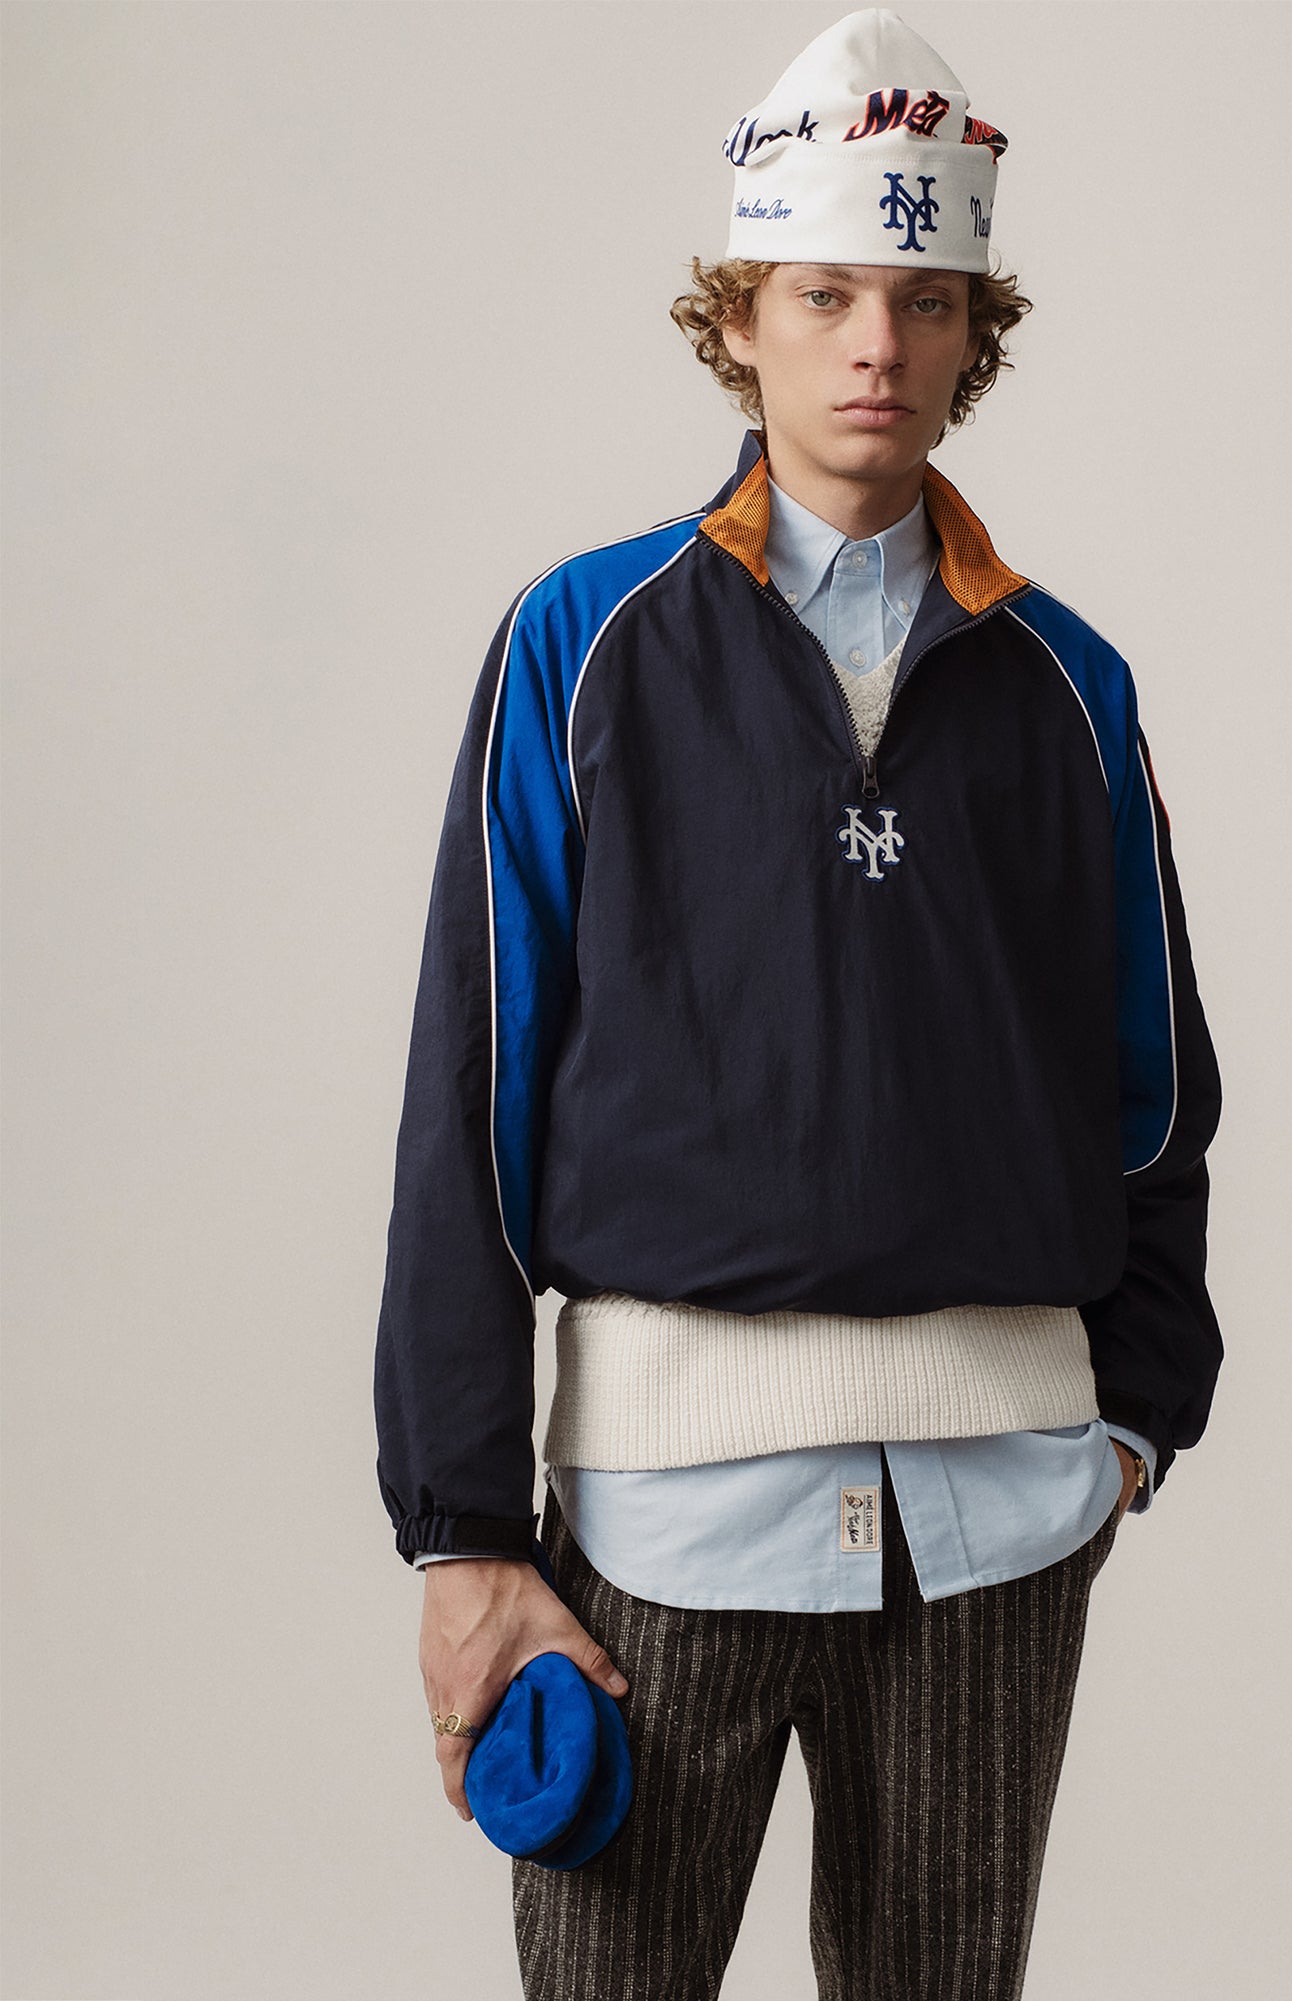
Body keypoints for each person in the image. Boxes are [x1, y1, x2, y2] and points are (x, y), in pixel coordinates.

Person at [373, 10, 1224, 1996]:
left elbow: (1153, 1087)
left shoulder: (1069, 686)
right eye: (823, 293)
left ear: (970, 334)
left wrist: (1129, 1421)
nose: (874, 345)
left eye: (922, 301)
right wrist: (464, 1527)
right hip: (658, 1523)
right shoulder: (584, 643)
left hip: (1003, 1516)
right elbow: (471, 1096)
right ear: (739, 319)